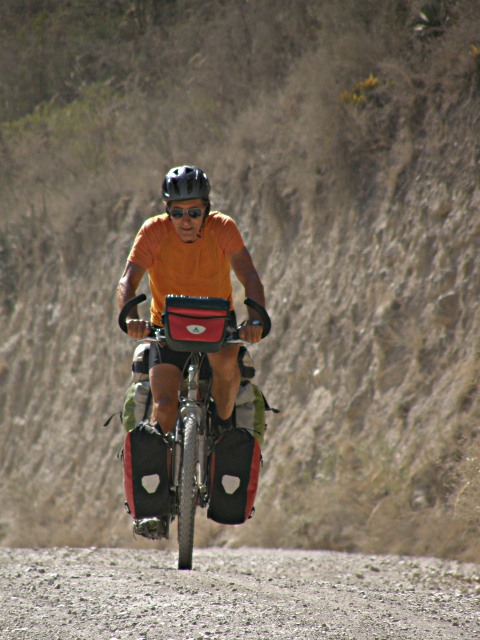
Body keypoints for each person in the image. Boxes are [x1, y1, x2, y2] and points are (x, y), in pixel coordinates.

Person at [117, 165, 266, 437]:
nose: (186, 221)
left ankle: (222, 427)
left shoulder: (222, 228)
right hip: (167, 327)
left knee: (225, 373)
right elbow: (128, 280)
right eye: (177, 213)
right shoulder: (152, 232)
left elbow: (250, 276)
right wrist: (130, 317)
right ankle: (161, 473)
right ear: (168, 212)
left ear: (206, 210)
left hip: (217, 325)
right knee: (162, 407)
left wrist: (255, 320)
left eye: (194, 213)